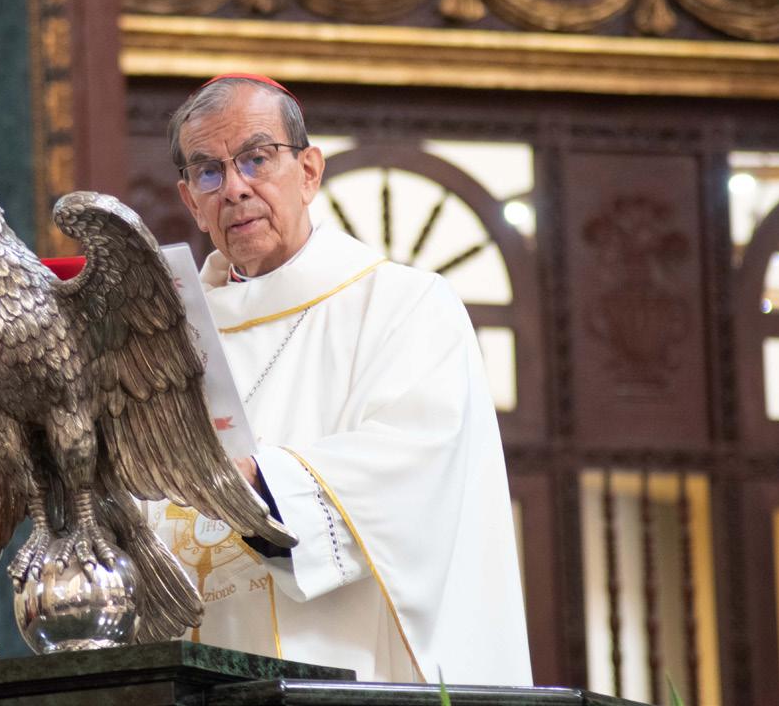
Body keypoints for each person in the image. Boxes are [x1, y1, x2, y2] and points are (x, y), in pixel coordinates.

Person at [146, 73, 532, 685]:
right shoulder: (169, 343)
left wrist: (255, 483)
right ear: (191, 201)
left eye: (256, 159)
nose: (235, 188)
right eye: (209, 172)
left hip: (344, 674)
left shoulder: (405, 305)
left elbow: (412, 470)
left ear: (308, 172)